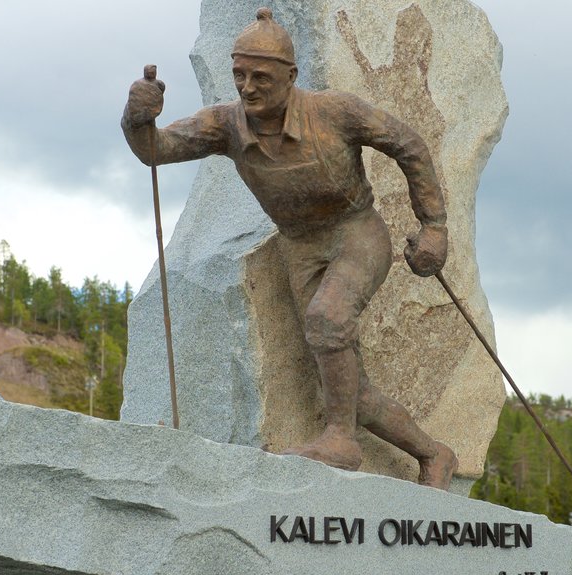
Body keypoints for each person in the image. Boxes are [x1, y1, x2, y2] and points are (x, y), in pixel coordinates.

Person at [122, 7, 458, 489]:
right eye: (239, 75)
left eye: (261, 76)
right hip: (299, 247)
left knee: (328, 319)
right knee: (348, 387)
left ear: (290, 76)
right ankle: (434, 455)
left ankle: (340, 442)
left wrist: (434, 226)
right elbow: (157, 149)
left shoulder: (335, 112)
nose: (247, 87)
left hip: (355, 232)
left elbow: (408, 145)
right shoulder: (226, 125)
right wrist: (137, 119)